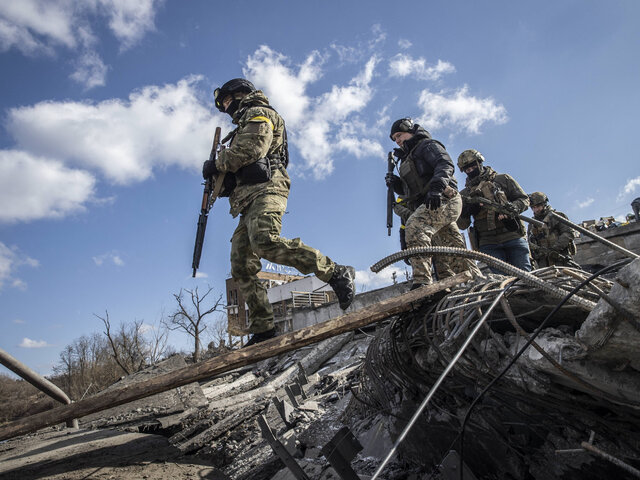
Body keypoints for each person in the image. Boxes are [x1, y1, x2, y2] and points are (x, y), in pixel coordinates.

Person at [202, 78, 355, 346]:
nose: (226, 108)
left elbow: (253, 148)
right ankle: (263, 327)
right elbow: (238, 168)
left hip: (268, 189)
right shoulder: (239, 126)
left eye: (227, 101)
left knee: (265, 241)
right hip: (246, 200)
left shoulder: (259, 112)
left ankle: (334, 271)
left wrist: (217, 163)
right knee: (241, 264)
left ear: (241, 94)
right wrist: (219, 178)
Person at [386, 118, 481, 289]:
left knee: (415, 225)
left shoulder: (426, 145)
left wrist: (437, 188)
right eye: (395, 139)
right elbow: (412, 190)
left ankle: (422, 282)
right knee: (450, 251)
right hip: (430, 205)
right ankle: (473, 282)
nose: (398, 141)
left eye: (399, 135)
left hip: (444, 198)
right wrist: (396, 183)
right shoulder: (407, 158)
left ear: (411, 130)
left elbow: (445, 164)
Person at [456, 149, 532, 273]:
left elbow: (524, 199)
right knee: (501, 282)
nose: (470, 171)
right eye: (467, 170)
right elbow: (462, 224)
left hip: (512, 236)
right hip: (488, 243)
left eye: (473, 167)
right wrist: (469, 210)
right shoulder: (465, 195)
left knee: (526, 276)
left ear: (480, 163)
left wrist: (513, 207)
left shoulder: (502, 180)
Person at [527, 191, 577, 268]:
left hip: (560, 257)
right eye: (533, 207)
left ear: (544, 205)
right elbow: (529, 242)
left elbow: (568, 233)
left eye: (538, 206)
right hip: (543, 261)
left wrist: (554, 249)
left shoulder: (557, 216)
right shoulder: (532, 224)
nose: (535, 210)